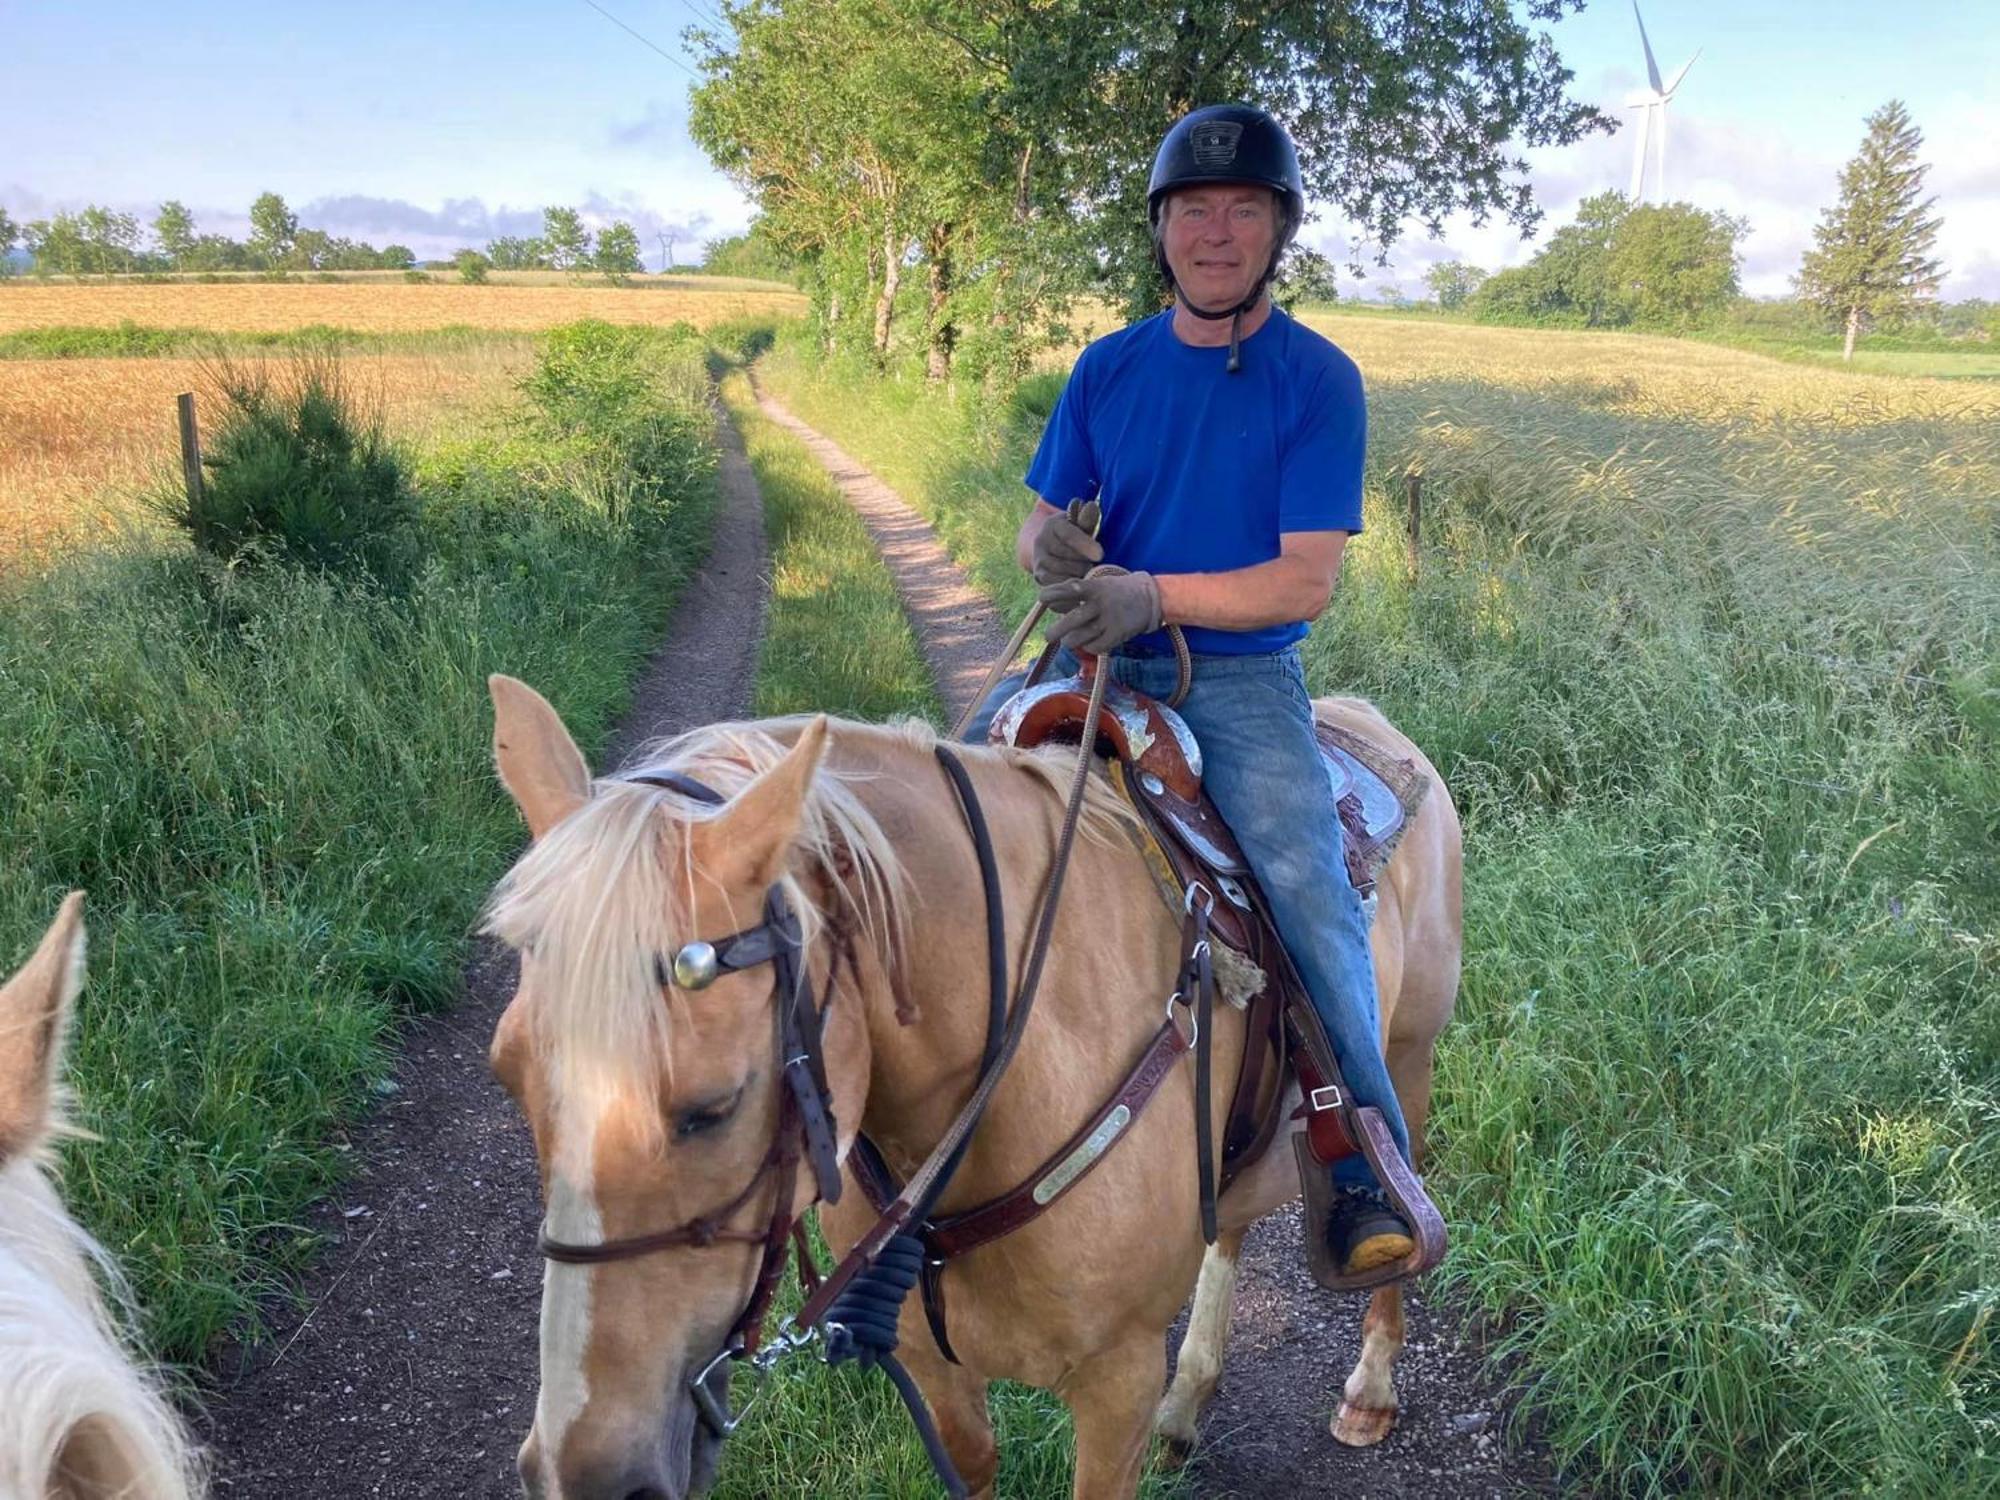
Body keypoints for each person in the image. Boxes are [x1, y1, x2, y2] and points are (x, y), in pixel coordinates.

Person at [963, 103, 1434, 1279]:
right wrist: (1053, 558)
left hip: (1231, 684)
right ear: (1160, 230)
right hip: (1089, 660)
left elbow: (1304, 577)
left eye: (1240, 210)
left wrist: (1152, 597)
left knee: (1306, 887)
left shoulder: (1316, 380)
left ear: (1276, 230)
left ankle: (1355, 1164)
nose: (1212, 232)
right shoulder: (1107, 367)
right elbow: (1040, 521)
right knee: (944, 813)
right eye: (1191, 210)